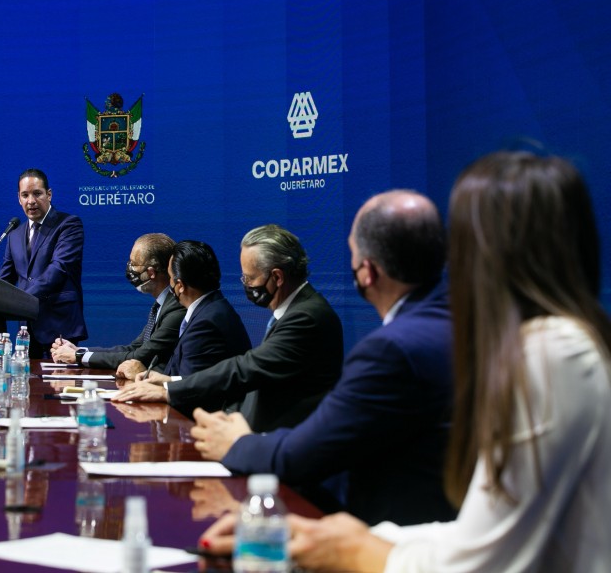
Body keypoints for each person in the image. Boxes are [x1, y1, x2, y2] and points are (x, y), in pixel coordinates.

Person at [200, 151, 611, 571]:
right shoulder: (565, 340)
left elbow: (488, 557)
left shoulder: (550, 353)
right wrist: (343, 535)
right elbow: (481, 526)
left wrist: (361, 550)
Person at [191, 190, 455, 525]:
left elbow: (302, 454)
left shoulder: (389, 349)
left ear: (367, 272)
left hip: (391, 534)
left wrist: (238, 443)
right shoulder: (456, 323)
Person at [113, 224, 343, 433]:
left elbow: (246, 368)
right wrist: (168, 382)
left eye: (249, 278)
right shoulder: (298, 309)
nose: (246, 285)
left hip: (284, 442)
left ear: (277, 277)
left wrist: (169, 390)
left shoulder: (306, 317)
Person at [118, 240, 252, 389]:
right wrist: (158, 378)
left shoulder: (206, 322)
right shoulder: (211, 308)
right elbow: (190, 377)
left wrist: (145, 376)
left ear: (180, 286)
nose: (169, 283)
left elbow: (193, 388)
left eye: (169, 277)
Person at [50, 233, 186, 376]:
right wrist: (79, 352)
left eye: (133, 264)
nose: (130, 268)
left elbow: (140, 356)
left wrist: (78, 357)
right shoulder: (162, 305)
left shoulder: (176, 307)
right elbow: (132, 348)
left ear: (151, 272)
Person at [0, 168, 87, 357]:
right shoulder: (14, 235)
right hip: (26, 331)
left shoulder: (68, 225)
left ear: (49, 194)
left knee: (59, 385)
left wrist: (21, 300)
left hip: (60, 328)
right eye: (25, 195)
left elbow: (59, 268)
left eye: (37, 193)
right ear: (19, 199)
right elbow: (5, 279)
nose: (31, 201)